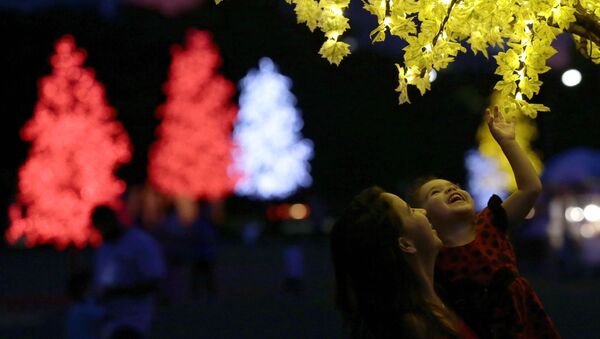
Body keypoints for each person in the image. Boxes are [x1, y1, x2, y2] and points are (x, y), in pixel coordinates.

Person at [410, 106, 561, 338]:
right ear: (423, 216)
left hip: (522, 323)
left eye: (454, 186)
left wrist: (508, 143)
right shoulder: (433, 254)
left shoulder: (490, 223)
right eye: (435, 192)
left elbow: (531, 188)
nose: (450, 188)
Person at [331, 186, 478, 339]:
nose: (423, 211)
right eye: (411, 211)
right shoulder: (416, 327)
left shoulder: (442, 296)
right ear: (406, 244)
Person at [90, 205, 166, 338]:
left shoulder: (139, 243)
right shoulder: (105, 247)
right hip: (109, 317)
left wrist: (120, 292)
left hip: (133, 319)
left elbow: (154, 281)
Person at [65, 269, 106, 339]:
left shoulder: (78, 308)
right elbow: (108, 314)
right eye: (95, 283)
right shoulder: (82, 309)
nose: (100, 286)